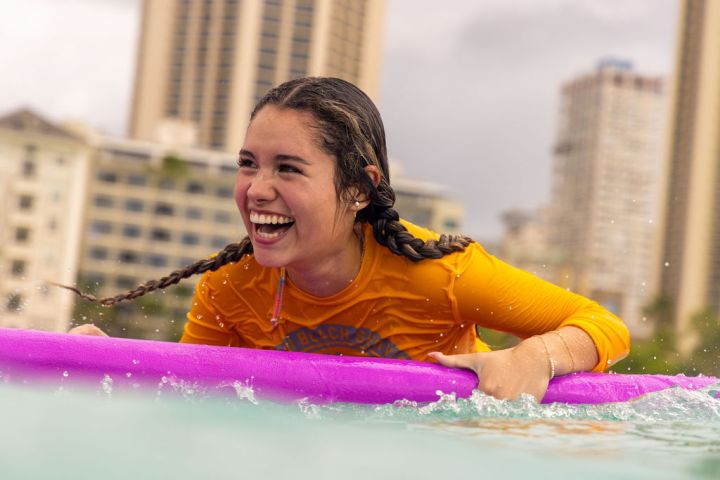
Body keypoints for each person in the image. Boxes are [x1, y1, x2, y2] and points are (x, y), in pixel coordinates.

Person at [68, 76, 629, 402]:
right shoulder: (229, 287)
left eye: (288, 168)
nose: (257, 189)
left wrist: (538, 356)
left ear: (360, 187)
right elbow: (191, 400)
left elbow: (604, 327)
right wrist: (111, 370)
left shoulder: (440, 273)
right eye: (248, 164)